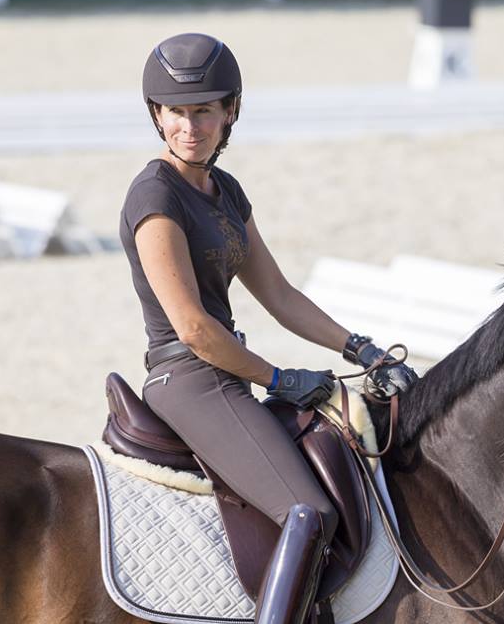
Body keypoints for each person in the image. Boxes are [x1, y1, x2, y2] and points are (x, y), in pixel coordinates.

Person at [119, 33, 417, 624]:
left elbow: (279, 295)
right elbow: (195, 327)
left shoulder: (225, 192)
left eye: (204, 111)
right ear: (156, 114)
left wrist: (361, 348)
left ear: (231, 112)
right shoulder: (155, 196)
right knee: (308, 512)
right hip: (189, 378)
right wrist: (279, 377)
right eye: (175, 112)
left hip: (227, 373)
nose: (189, 126)